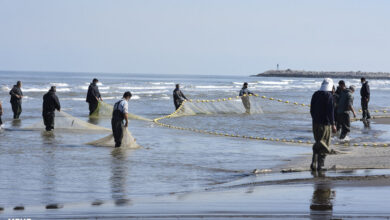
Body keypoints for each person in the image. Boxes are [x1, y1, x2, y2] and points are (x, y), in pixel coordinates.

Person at [310, 78, 337, 171]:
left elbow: (311, 110)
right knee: (324, 143)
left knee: (318, 142)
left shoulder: (315, 94)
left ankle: (314, 163)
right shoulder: (329, 96)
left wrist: (314, 119)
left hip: (315, 123)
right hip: (325, 124)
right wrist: (333, 124)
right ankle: (321, 165)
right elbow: (330, 112)